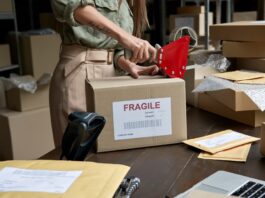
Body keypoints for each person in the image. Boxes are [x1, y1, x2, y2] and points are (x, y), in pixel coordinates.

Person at [50, 0, 160, 147]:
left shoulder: (126, 4)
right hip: (81, 73)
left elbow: (108, 45)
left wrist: (127, 64)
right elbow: (72, 7)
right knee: (80, 156)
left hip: (111, 76)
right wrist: (127, 38)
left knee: (110, 152)